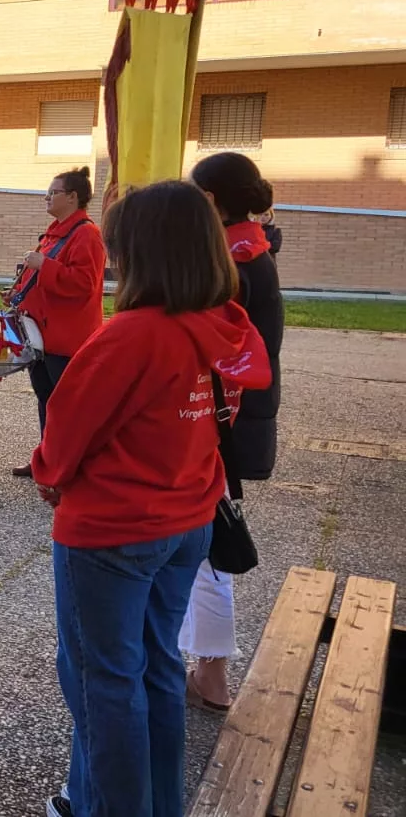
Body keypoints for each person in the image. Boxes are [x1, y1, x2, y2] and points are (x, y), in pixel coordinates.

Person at [33, 180, 270, 817]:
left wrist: (46, 473)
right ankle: (146, 803)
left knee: (103, 684)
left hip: (112, 532)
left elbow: (63, 437)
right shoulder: (222, 324)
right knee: (156, 669)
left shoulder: (130, 336)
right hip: (185, 521)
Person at [178, 152, 285, 713]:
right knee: (206, 544)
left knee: (210, 547)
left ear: (212, 201)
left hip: (221, 420)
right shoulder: (249, 249)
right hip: (231, 417)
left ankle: (212, 678)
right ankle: (203, 667)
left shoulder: (235, 262)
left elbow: (200, 335)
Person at [10, 167, 107, 476]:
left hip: (66, 338)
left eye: (53, 193)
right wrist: (16, 293)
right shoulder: (56, 232)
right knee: (46, 400)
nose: (47, 197)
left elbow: (83, 284)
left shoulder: (86, 234)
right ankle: (49, 460)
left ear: (73, 197)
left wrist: (44, 265)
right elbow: (40, 278)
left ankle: (70, 467)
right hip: (42, 335)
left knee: (65, 407)